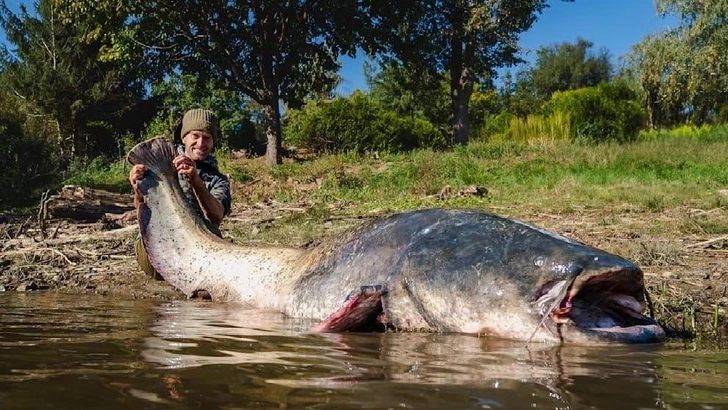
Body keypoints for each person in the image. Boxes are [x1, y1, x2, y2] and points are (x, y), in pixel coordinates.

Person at [129, 108, 232, 279]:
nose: (201, 143)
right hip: (160, 246)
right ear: (184, 137)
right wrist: (138, 188)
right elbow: (140, 208)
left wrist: (195, 181)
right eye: (195, 136)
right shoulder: (159, 166)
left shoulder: (219, 179)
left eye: (207, 138)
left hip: (200, 248)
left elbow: (216, 216)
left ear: (213, 143)